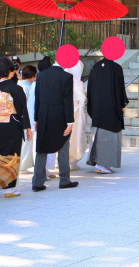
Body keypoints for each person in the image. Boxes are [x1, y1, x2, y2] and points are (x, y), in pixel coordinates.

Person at [0, 57, 32, 200]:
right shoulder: (15, 88)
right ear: (11, 71)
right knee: (11, 156)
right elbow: (22, 110)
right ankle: (9, 188)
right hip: (11, 126)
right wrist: (26, 128)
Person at [32, 57, 77, 191]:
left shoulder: (40, 76)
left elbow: (37, 98)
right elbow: (67, 101)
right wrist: (70, 121)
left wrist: (36, 119)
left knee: (41, 148)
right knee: (63, 146)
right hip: (60, 115)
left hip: (43, 115)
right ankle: (64, 180)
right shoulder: (66, 77)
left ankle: (37, 182)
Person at [86, 56, 129, 174]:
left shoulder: (95, 67)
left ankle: (99, 161)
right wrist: (122, 103)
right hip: (111, 108)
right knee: (109, 135)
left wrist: (91, 105)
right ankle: (102, 164)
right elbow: (120, 89)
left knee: (98, 134)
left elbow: (90, 88)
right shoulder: (116, 68)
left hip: (97, 108)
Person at [34, 57, 56, 178]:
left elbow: (36, 101)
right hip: (50, 116)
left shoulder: (38, 80)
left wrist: (36, 118)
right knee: (47, 146)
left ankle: (43, 172)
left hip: (40, 116)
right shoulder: (52, 80)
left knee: (41, 146)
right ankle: (44, 171)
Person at [64, 61, 88, 170]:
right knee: (76, 137)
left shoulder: (63, 80)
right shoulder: (78, 83)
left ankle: (62, 160)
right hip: (76, 115)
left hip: (64, 113)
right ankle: (71, 160)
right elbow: (82, 100)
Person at [17, 65, 37, 173]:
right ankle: (23, 165)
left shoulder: (19, 84)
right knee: (26, 143)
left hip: (19, 118)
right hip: (26, 118)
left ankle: (23, 165)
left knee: (24, 143)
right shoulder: (28, 87)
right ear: (32, 76)